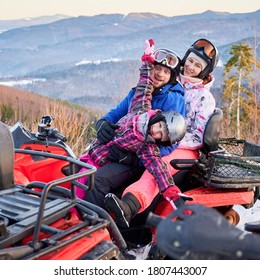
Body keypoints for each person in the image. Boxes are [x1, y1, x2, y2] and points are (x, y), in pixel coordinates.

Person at [104, 38, 218, 228]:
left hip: (187, 145)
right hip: (159, 135)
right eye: (190, 60)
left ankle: (130, 205)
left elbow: (198, 136)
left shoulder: (205, 98)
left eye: (198, 65)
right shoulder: (175, 80)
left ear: (205, 71)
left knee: (159, 165)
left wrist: (165, 142)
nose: (190, 67)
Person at [76, 40, 187, 206]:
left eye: (166, 72)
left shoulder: (173, 100)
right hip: (113, 150)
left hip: (139, 158)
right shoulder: (139, 96)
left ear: (171, 78)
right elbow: (116, 113)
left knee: (97, 180)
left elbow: (169, 143)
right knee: (76, 169)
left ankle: (94, 224)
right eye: (157, 68)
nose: (160, 74)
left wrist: (132, 159)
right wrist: (103, 123)